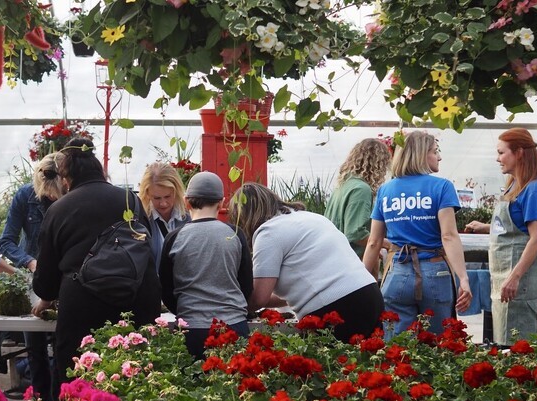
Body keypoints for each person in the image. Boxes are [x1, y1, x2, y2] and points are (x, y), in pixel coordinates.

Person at [32, 138, 160, 401]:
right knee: (134, 386)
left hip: (83, 309)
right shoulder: (131, 201)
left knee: (80, 386)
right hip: (135, 302)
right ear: (100, 169)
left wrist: (46, 298)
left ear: (66, 178)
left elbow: (45, 283)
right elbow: (148, 250)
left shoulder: (59, 210)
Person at [229, 182, 383, 343]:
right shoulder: (312, 217)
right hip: (370, 294)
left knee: (326, 359)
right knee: (368, 358)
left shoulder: (269, 232)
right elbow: (298, 292)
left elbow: (259, 298)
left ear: (244, 217)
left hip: (337, 308)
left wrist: (231, 307)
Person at [363, 131, 472, 340]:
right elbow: (449, 236)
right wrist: (463, 278)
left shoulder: (385, 191)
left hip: (398, 272)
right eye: (435, 152)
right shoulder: (442, 187)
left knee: (397, 346)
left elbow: (374, 242)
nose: (439, 157)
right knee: (439, 344)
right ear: (421, 155)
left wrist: (362, 283)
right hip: (436, 272)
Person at [465, 128, 537, 344]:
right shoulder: (516, 184)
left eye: (501, 153)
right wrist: (487, 227)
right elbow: (519, 226)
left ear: (519, 152)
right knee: (505, 331)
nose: (498, 159)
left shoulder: (535, 190)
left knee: (517, 335)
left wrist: (514, 277)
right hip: (511, 268)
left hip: (531, 271)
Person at [159, 172, 253, 358]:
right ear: (221, 202)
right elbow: (246, 285)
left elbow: (166, 288)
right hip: (233, 325)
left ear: (186, 202)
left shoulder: (174, 238)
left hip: (191, 327)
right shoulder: (234, 234)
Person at [0, 153, 65, 401]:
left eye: (57, 193)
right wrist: (30, 261)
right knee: (35, 346)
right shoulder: (25, 196)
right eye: (47, 193)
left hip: (66, 278)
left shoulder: (74, 195)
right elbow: (7, 241)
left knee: (63, 345)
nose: (52, 197)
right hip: (34, 280)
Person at [324, 138, 391, 258]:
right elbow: (355, 233)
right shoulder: (361, 189)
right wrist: (386, 244)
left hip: (333, 256)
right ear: (378, 165)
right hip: (349, 259)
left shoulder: (343, 185)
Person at [138, 162, 190, 269]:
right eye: (157, 198)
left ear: (176, 191)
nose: (163, 204)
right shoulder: (141, 220)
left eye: (168, 196)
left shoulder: (190, 216)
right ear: (147, 194)